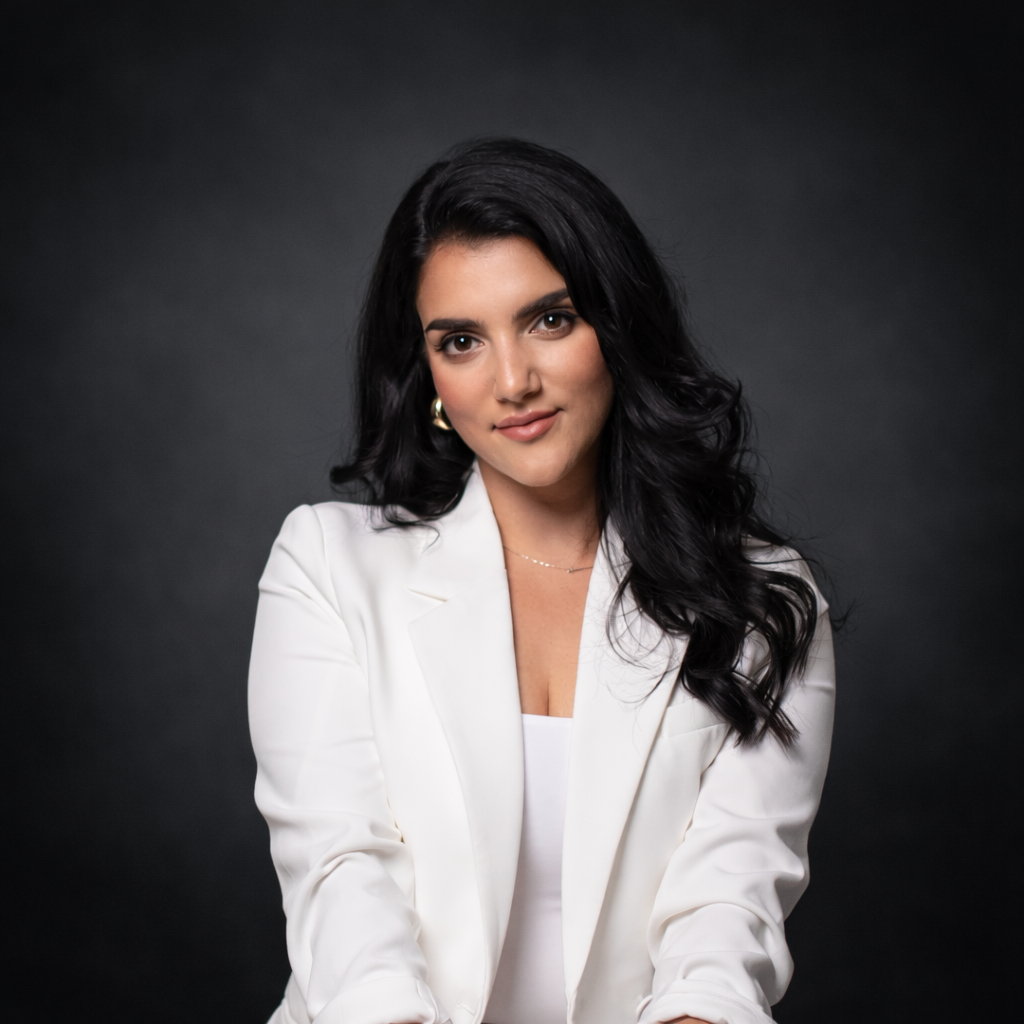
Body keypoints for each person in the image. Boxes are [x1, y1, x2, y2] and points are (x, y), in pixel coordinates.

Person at [248, 139, 835, 1024]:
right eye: (461, 342)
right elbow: (340, 874)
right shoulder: (328, 565)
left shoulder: (762, 600)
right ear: (430, 377)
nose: (512, 381)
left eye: (550, 321)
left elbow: (726, 920)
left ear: (616, 326)